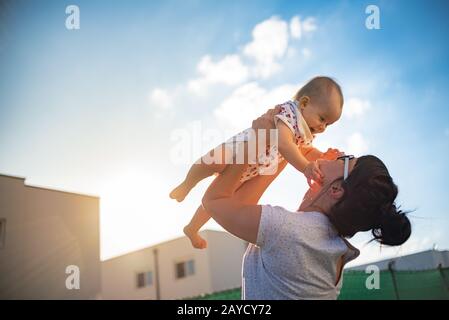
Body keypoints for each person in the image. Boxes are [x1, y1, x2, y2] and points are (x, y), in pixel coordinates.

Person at [202, 151, 412, 299]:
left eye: (345, 159)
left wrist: (253, 147)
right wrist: (282, 154)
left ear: (337, 190)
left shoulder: (287, 230)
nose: (337, 155)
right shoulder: (331, 250)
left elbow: (214, 202)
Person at [170, 76, 344, 248]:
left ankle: (192, 228)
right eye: (322, 119)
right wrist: (305, 167)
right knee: (212, 162)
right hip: (240, 148)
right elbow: (284, 143)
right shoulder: (289, 113)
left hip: (255, 168)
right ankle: (188, 183)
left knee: (220, 199)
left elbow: (305, 151)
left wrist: (323, 157)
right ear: (304, 103)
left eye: (327, 125)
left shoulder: (306, 132)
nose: (322, 128)